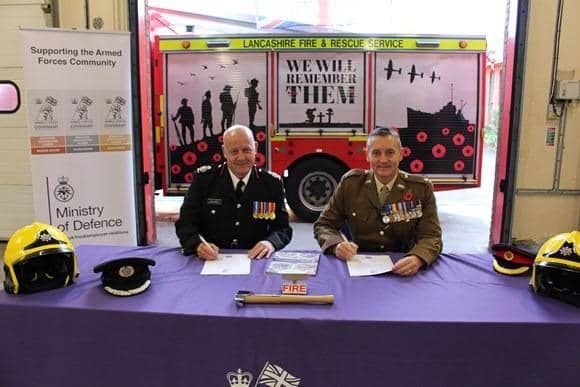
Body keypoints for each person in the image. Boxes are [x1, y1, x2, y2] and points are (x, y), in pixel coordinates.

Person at [313, 127, 442, 276]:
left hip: (404, 268)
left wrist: (418, 257)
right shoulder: (351, 184)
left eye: (390, 153)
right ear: (367, 155)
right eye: (376, 153)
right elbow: (324, 224)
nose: (383, 160)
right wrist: (337, 245)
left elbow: (431, 236)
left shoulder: (420, 189)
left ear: (401, 154)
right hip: (359, 267)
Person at [175, 125, 292, 260]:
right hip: (211, 261)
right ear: (224, 151)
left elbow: (283, 228)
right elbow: (185, 223)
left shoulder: (272, 184)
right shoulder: (204, 180)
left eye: (246, 150)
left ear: (256, 148)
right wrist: (197, 245)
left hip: (255, 260)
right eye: (234, 151)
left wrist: (270, 243)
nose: (241, 157)